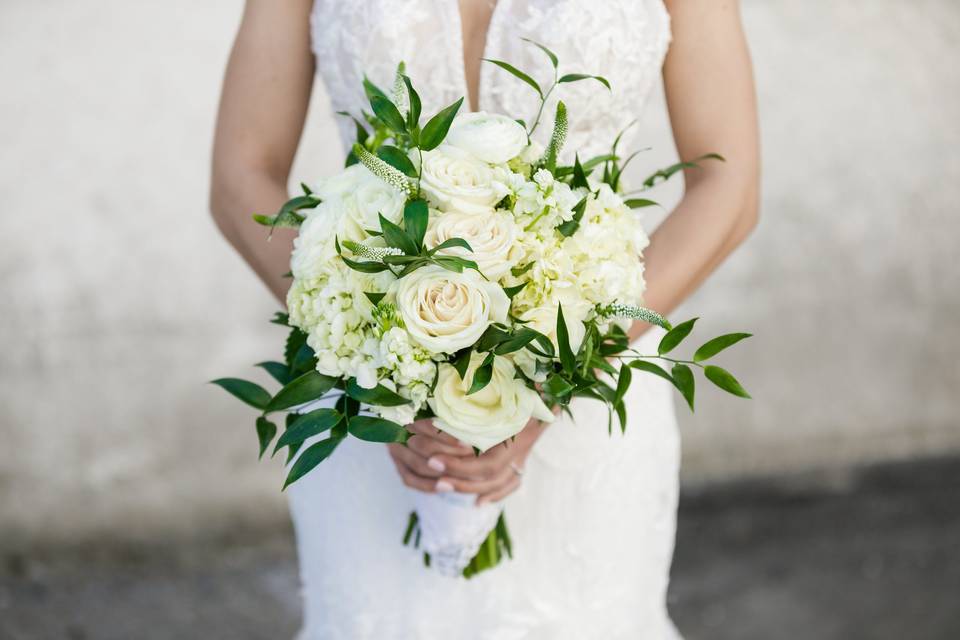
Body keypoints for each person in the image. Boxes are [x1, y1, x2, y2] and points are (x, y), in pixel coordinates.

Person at [210, 1, 759, 638]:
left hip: (593, 391)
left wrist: (556, 377)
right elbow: (240, 175)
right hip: (374, 412)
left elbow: (730, 184)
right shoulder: (374, 370)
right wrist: (366, 344)